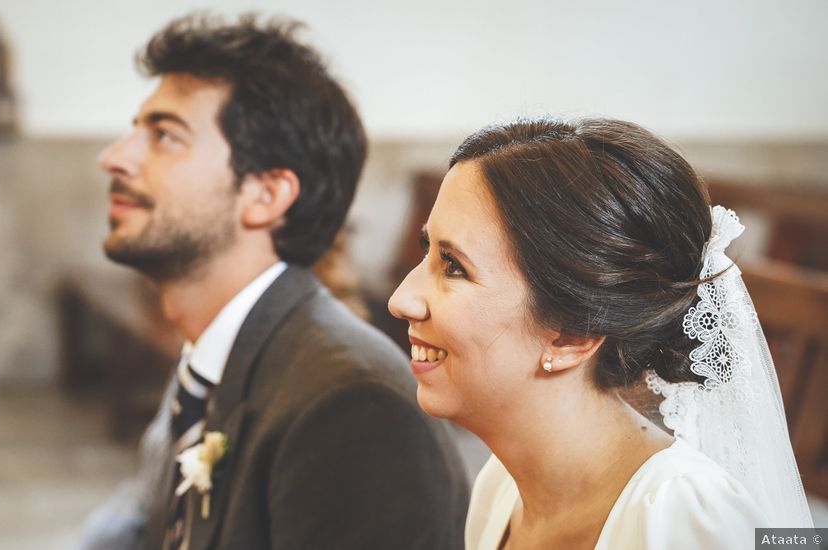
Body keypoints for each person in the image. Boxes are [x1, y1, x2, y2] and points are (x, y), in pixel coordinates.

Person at [83, 12, 468, 550]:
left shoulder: (350, 408)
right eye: (136, 130)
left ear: (265, 195)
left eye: (165, 135)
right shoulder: (218, 357)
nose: (116, 157)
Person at [388, 117, 813, 549]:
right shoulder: (499, 487)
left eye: (454, 266)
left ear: (571, 334)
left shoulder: (687, 518)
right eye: (428, 251)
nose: (400, 299)